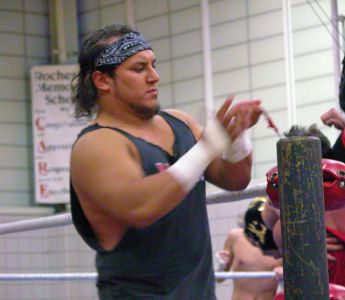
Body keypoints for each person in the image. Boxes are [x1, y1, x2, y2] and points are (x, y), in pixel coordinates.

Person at [69, 24, 263, 299]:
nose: (154, 77)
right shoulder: (96, 144)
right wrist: (206, 148)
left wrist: (237, 136)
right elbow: (141, 207)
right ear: (103, 81)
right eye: (139, 69)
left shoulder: (180, 123)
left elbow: (235, 180)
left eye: (153, 65)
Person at [250, 12, 345, 300]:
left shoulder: (290, 197)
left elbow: (270, 222)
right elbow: (272, 223)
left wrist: (295, 234)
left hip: (337, 284)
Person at [215, 198, 282, 300]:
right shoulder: (235, 237)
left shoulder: (280, 245)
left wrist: (284, 276)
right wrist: (221, 265)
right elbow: (219, 279)